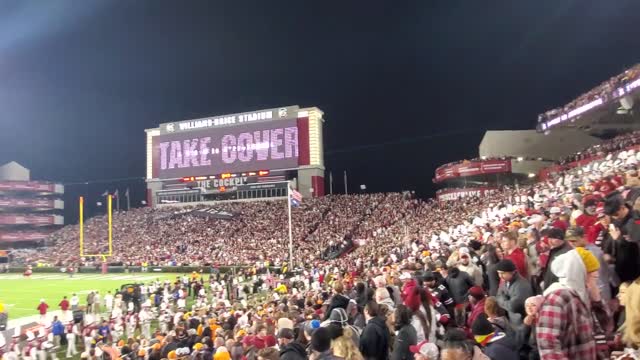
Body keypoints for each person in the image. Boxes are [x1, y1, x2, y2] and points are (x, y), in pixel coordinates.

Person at [536, 249, 600, 359]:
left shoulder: (584, 296)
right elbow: (548, 346)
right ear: (580, 273)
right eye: (593, 276)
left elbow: (606, 328)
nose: (596, 280)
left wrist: (597, 300)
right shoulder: (557, 299)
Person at [495, 259, 533, 327]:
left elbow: (513, 307)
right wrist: (506, 300)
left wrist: (502, 300)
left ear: (512, 272)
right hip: (512, 321)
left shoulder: (522, 285)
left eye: (503, 273)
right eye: (498, 273)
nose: (500, 276)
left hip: (521, 323)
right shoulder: (505, 281)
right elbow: (498, 295)